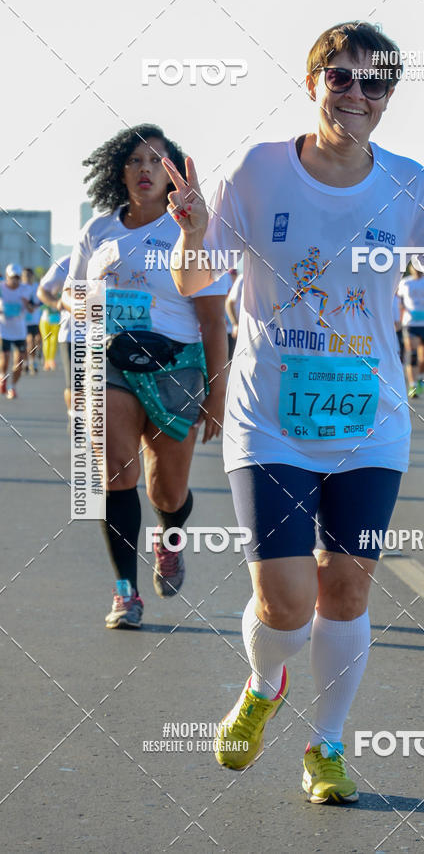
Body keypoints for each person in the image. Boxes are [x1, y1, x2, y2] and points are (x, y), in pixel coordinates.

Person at [167, 20, 424, 803]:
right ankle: (263, 682)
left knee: (346, 589)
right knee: (286, 601)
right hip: (270, 418)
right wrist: (192, 232)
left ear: (387, 98)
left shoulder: (408, 183)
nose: (356, 94)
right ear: (312, 82)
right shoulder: (261, 170)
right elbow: (193, 281)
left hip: (370, 422)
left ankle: (327, 746)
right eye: (340, 77)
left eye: (372, 83)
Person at [62, 124, 228, 629]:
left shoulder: (196, 229)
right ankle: (125, 592)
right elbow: (72, 295)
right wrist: (82, 357)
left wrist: (217, 397)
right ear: (121, 171)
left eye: (157, 161)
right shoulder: (98, 230)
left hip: (177, 364)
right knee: (116, 473)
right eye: (135, 160)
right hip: (111, 360)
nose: (145, 170)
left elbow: (213, 318)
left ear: (173, 173)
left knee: (167, 493)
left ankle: (169, 538)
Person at [397, 263, 424, 397]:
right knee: (412, 354)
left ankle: (420, 376)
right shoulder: (405, 283)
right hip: (411, 323)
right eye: (414, 266)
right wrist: (400, 315)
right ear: (410, 268)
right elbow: (399, 301)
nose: (417, 269)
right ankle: (412, 385)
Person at [38, 255, 72, 410]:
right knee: (75, 386)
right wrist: (55, 303)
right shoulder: (66, 263)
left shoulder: (112, 257)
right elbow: (42, 290)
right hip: (74, 334)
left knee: (103, 388)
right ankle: (75, 420)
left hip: (104, 335)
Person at [0, 263, 34, 399]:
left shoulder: (25, 290)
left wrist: (27, 304)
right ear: (7, 277)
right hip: (3, 330)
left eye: (18, 278)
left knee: (19, 362)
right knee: (5, 359)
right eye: (12, 277)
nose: (15, 280)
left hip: (20, 331)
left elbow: (32, 310)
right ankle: (3, 377)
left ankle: (12, 387)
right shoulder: (1, 287)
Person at [22, 268, 42, 373]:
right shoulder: (21, 287)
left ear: (32, 276)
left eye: (29, 275)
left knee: (33, 341)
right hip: (23, 320)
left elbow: (42, 300)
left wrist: (34, 306)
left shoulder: (36, 286)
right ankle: (25, 362)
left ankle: (32, 362)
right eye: (25, 275)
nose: (27, 277)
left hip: (34, 319)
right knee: (27, 342)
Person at [224, 271, 244, 361]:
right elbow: (229, 303)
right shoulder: (243, 279)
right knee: (231, 359)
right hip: (233, 330)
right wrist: (235, 324)